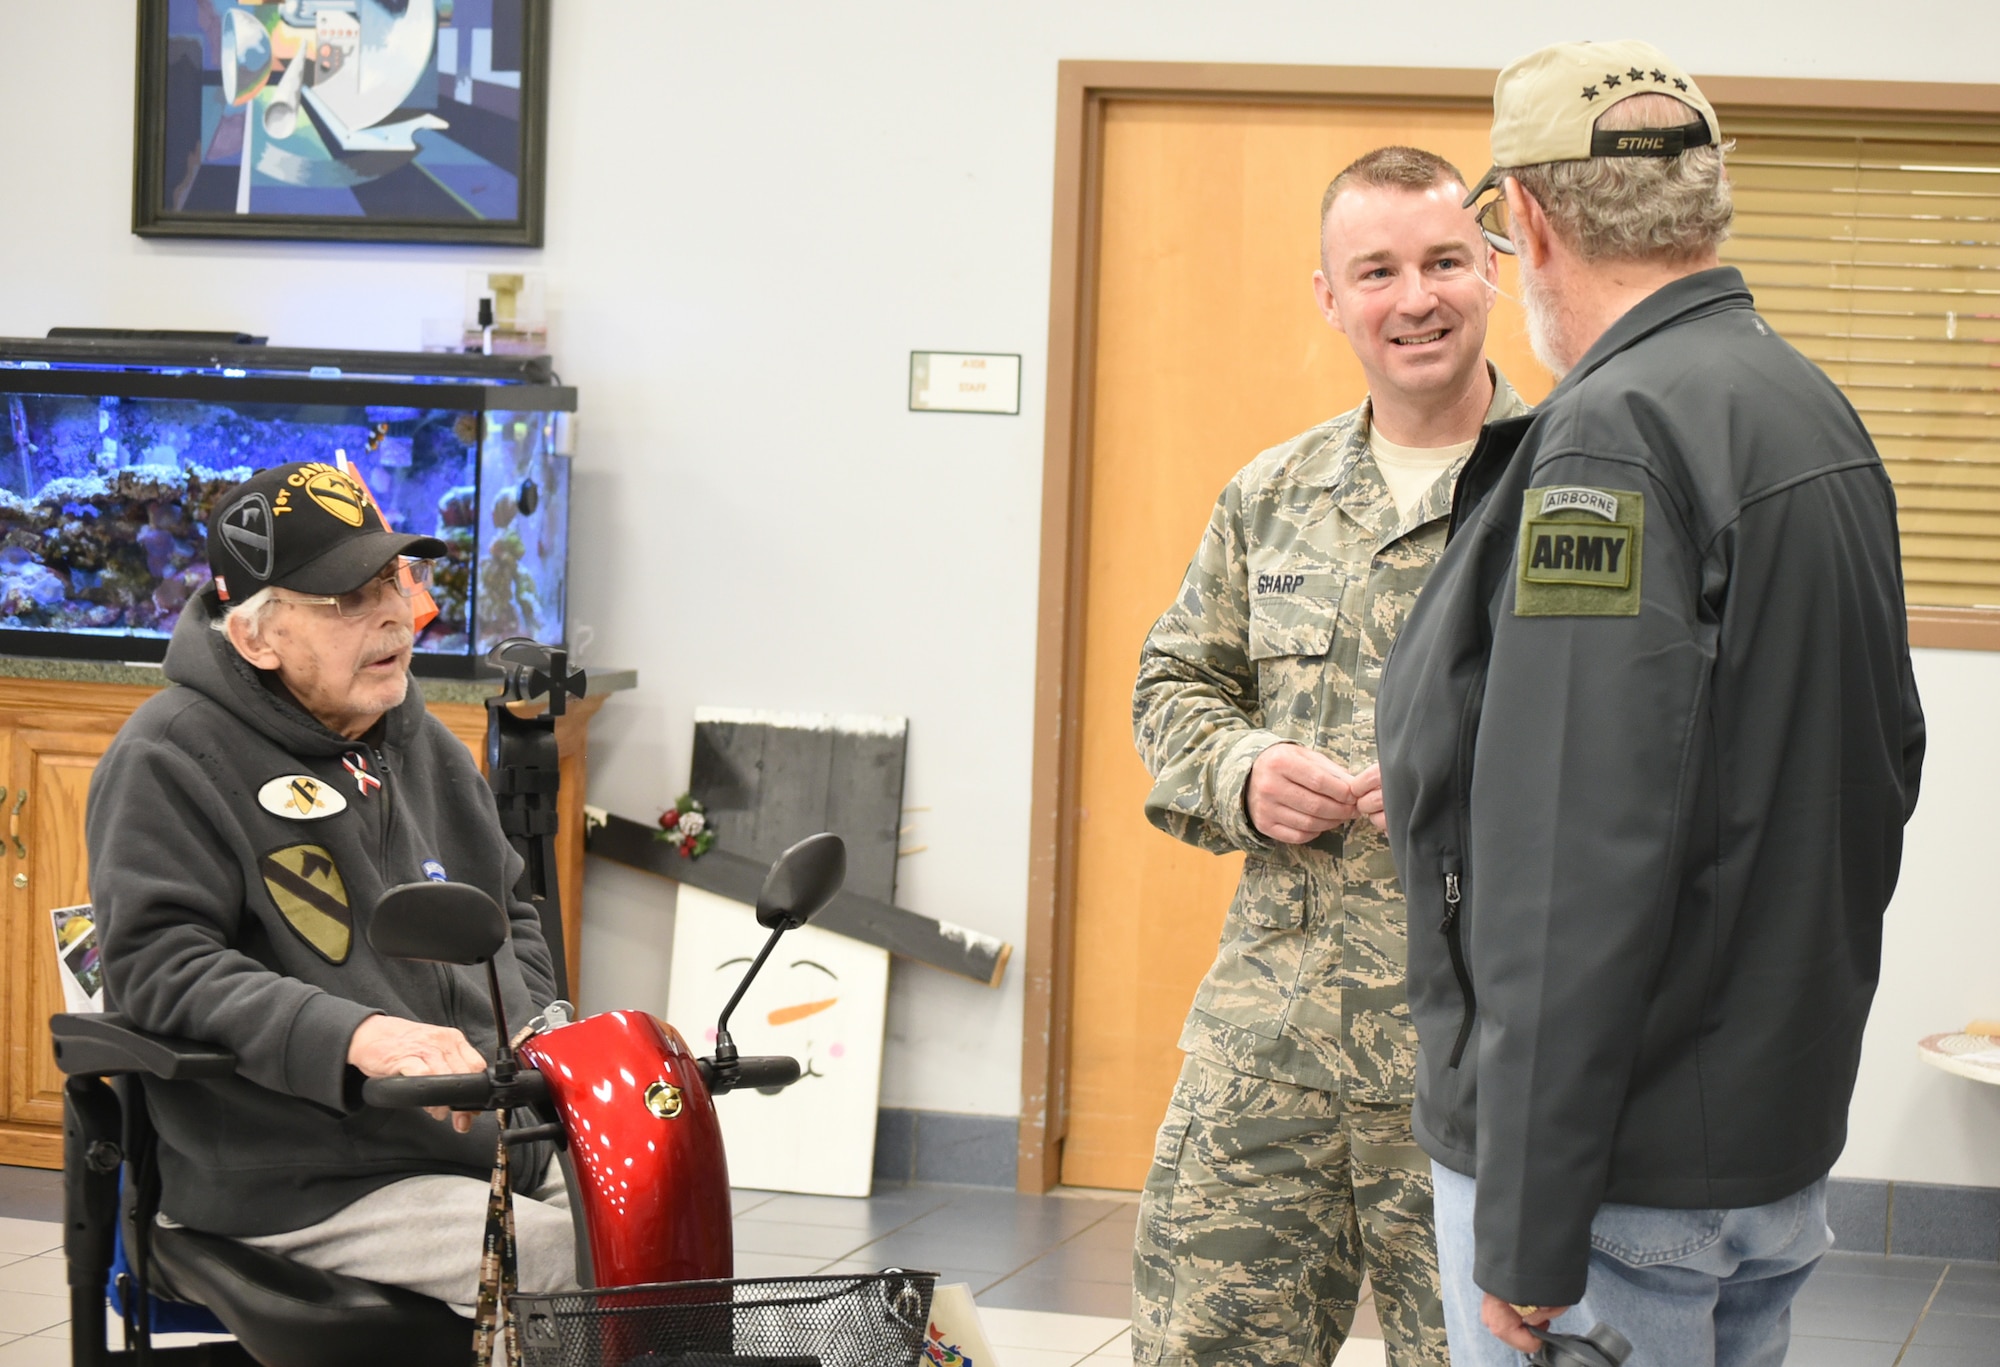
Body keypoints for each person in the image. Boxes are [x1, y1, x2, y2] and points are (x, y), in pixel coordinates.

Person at [1376, 39, 1926, 1367]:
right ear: (1706, 199)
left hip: (1620, 1184)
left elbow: (1574, 859)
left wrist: (1525, 1220)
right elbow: (1878, 763)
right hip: (1763, 1140)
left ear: (1532, 221)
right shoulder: (1807, 407)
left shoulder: (1613, 442)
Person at [1130, 145, 1531, 1367]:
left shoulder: (1567, 486)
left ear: (1491, 271)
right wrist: (1240, 769)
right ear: (1327, 295)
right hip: (1271, 1044)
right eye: (1377, 270)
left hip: (1480, 1057)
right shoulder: (1273, 494)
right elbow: (1174, 682)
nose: (1414, 297)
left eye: (1444, 261)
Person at [87, 461, 580, 1312]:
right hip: (308, 1173)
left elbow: (510, 915)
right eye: (346, 597)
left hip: (488, 1136)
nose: (393, 611)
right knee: (561, 1261)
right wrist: (358, 1033)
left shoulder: (414, 738)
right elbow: (159, 968)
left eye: (391, 577)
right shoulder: (168, 755)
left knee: (663, 1206)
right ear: (257, 636)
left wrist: (536, 1032)